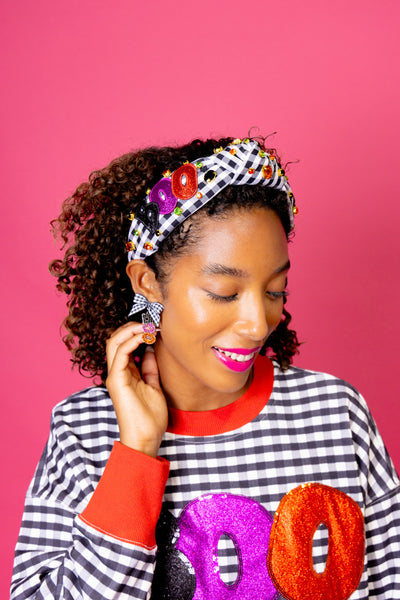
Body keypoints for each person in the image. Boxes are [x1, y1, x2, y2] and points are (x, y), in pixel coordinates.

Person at [11, 136, 400, 600]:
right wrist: (136, 456)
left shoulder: (337, 412)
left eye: (276, 290)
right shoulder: (83, 433)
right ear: (148, 283)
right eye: (223, 292)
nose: (258, 324)